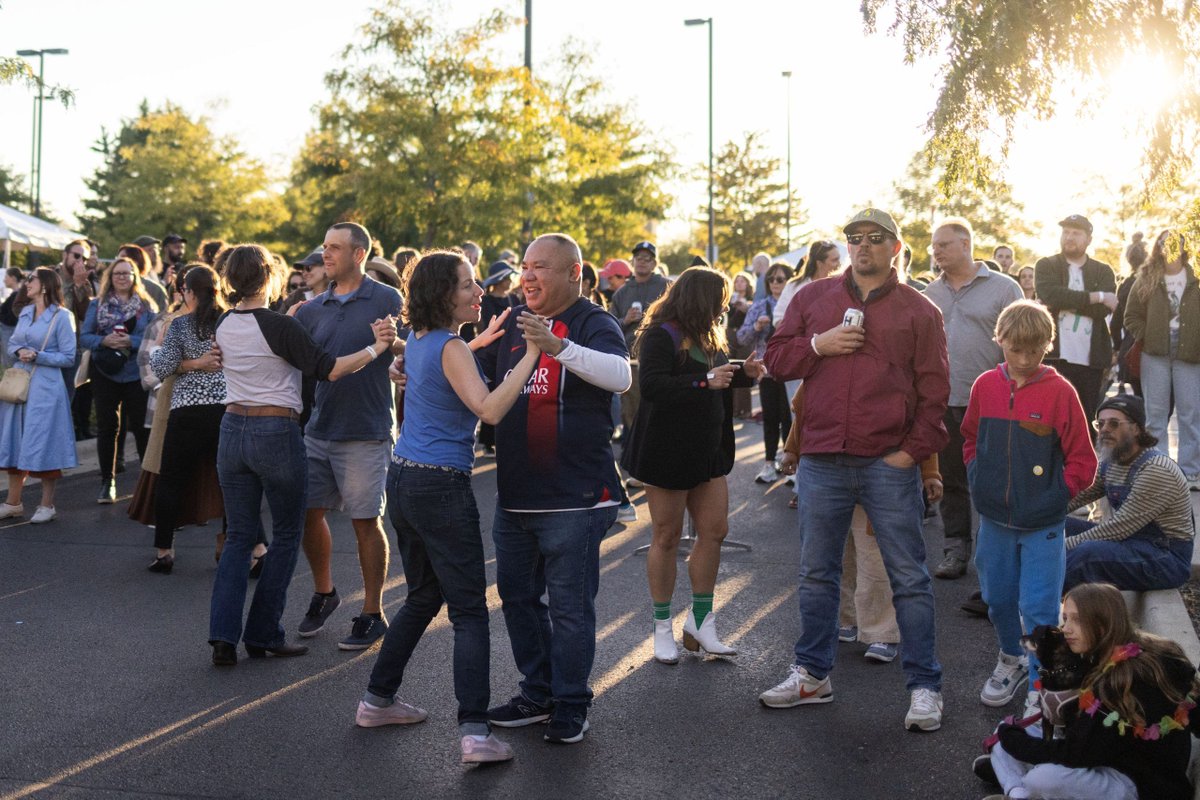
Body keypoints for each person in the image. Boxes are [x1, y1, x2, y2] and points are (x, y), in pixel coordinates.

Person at [760, 208, 950, 733]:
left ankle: (925, 686)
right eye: (854, 239)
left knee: (908, 577)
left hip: (887, 462)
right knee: (817, 574)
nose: (862, 246)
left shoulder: (920, 311)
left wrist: (910, 455)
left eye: (874, 239)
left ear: (895, 248)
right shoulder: (813, 299)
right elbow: (775, 362)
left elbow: (935, 395)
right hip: (822, 459)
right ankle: (813, 675)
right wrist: (818, 346)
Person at [356, 250, 541, 764]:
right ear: (443, 295)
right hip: (440, 487)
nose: (479, 291)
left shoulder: (420, 340)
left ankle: (376, 701)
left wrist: (475, 345)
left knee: (421, 597)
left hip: (407, 479)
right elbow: (489, 410)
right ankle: (476, 733)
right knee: (468, 613)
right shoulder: (447, 346)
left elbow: (441, 371)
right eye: (467, 285)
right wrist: (532, 354)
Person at [208, 244, 395, 667]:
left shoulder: (224, 322)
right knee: (288, 533)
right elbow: (328, 368)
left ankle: (222, 637)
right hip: (274, 429)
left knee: (239, 537)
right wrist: (376, 348)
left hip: (232, 428)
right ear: (269, 277)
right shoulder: (278, 325)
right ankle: (264, 633)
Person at [478, 233, 631, 745]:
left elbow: (620, 377)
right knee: (518, 598)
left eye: (541, 266)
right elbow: (481, 387)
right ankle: (538, 691)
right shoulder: (514, 324)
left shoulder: (593, 321)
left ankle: (570, 702)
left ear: (574, 273)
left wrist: (559, 347)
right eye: (525, 265)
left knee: (569, 607)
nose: (528, 275)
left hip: (574, 498)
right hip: (516, 495)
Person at [621, 267, 764, 664]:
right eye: (718, 299)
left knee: (715, 531)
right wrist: (704, 381)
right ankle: (662, 627)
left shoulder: (707, 331)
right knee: (666, 537)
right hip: (667, 451)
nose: (724, 307)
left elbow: (714, 373)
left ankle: (701, 622)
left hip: (707, 450)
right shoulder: (659, 334)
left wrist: (743, 372)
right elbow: (651, 385)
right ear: (699, 298)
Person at [961, 299, 1096, 714]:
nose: (1023, 360)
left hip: (1044, 523)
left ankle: (1042, 679)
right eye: (1015, 349)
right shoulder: (985, 385)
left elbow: (1083, 461)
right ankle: (1011, 658)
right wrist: (977, 476)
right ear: (999, 340)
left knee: (1038, 606)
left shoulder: (1061, 391)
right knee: (998, 599)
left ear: (1046, 345)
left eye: (1034, 351)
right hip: (995, 520)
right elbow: (969, 439)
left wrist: (1057, 495)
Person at [978, 582, 1200, 800]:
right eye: (1066, 619)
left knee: (1042, 777)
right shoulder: (1098, 656)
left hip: (1135, 782)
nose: (1066, 629)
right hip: (1101, 758)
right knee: (1005, 731)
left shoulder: (1124, 678)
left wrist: (1018, 744)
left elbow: (1078, 753)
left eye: (1076, 620)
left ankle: (1021, 785)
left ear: (1102, 624)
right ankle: (1018, 792)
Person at [294, 222, 403, 651]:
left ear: (359, 254)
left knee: (364, 521)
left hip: (367, 430)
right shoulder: (312, 309)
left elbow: (402, 345)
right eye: (324, 247)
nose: (326, 255)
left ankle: (373, 612)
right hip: (319, 427)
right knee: (306, 513)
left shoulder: (385, 298)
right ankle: (325, 592)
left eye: (335, 248)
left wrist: (395, 353)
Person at [923, 218, 1024, 582]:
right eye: (934, 246)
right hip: (943, 401)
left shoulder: (1004, 289)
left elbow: (1022, 343)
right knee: (951, 479)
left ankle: (993, 558)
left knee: (994, 481)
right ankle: (955, 549)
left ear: (966, 245)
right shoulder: (929, 294)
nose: (936, 251)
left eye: (944, 244)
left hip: (992, 403)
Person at [144, 265, 230, 574]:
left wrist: (187, 362)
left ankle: (164, 550)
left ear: (189, 293)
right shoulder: (229, 322)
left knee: (171, 481)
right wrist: (205, 362)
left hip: (187, 412)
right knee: (232, 483)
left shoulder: (180, 326)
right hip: (226, 410)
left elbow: (162, 368)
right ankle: (246, 548)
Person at [1064, 394, 1195, 591]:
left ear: (1136, 429)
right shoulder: (1111, 462)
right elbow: (1076, 497)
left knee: (1086, 554)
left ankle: (1035, 607)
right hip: (1131, 544)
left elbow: (1117, 529)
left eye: (1114, 424)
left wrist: (1057, 547)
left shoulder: (1156, 469)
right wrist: (1030, 518)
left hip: (1165, 559)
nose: (1105, 430)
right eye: (1100, 424)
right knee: (1058, 525)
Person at [1123, 229, 1199, 489]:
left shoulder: (1196, 275)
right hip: (1154, 353)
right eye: (1165, 243)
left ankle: (1191, 472)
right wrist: (1149, 335)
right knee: (1155, 414)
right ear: (1158, 247)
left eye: (1176, 242)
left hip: (1191, 353)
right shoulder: (1146, 276)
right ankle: (1161, 471)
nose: (1171, 247)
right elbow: (1130, 315)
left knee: (1191, 414)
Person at [0, 268, 77, 523]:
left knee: (45, 442)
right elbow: (12, 344)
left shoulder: (62, 317)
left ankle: (47, 505)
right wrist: (21, 349)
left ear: (44, 285)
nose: (27, 283)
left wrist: (38, 355)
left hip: (45, 389)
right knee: (15, 441)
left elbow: (69, 356)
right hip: (20, 384)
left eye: (31, 279)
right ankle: (13, 502)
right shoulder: (24, 312)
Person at [81, 256, 155, 504]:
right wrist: (104, 340)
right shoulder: (97, 304)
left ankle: (147, 483)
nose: (122, 277)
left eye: (127, 273)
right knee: (107, 427)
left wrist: (130, 342)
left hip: (135, 373)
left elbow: (154, 337)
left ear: (135, 277)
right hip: (104, 372)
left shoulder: (145, 305)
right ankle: (107, 482)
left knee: (141, 428)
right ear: (110, 277)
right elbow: (85, 337)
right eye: (117, 273)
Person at [1034, 215, 1117, 425]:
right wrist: (1098, 297)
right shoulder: (1047, 265)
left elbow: (1102, 312)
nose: (1069, 237)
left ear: (1088, 239)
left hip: (1091, 360)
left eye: (1076, 233)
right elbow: (1051, 295)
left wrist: (1062, 301)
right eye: (1066, 232)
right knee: (1049, 420)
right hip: (1054, 357)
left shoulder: (1103, 271)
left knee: (1085, 420)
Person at [610, 242, 669, 454]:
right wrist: (625, 319)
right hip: (631, 357)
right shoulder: (622, 292)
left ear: (655, 262)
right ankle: (634, 453)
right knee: (632, 408)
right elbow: (609, 324)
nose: (642, 262)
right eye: (639, 258)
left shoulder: (666, 286)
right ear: (632, 262)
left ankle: (657, 451)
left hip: (661, 355)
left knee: (658, 403)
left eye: (647, 258)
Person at [738, 261, 794, 483]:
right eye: (771, 279)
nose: (775, 283)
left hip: (791, 372)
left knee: (790, 419)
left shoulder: (795, 304)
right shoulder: (760, 306)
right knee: (770, 419)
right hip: (767, 372)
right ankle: (769, 464)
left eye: (780, 279)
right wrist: (757, 328)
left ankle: (791, 466)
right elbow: (742, 337)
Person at [1111, 233, 1148, 396]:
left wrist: (1118, 348)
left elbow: (1115, 323)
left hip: (1129, 348)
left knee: (1136, 399)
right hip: (1151, 346)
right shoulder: (1154, 283)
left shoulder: (1125, 285)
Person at [774, 240, 842, 327]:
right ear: (819, 263)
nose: (839, 264)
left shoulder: (841, 286)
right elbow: (778, 317)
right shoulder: (794, 286)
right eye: (834, 260)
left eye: (838, 259)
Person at [727, 271, 756, 418]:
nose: (739, 283)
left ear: (748, 283)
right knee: (730, 370)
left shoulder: (752, 299)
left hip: (745, 337)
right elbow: (729, 320)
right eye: (737, 281)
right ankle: (733, 409)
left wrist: (746, 307)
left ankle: (745, 410)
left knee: (744, 371)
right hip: (730, 335)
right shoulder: (729, 299)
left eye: (742, 281)